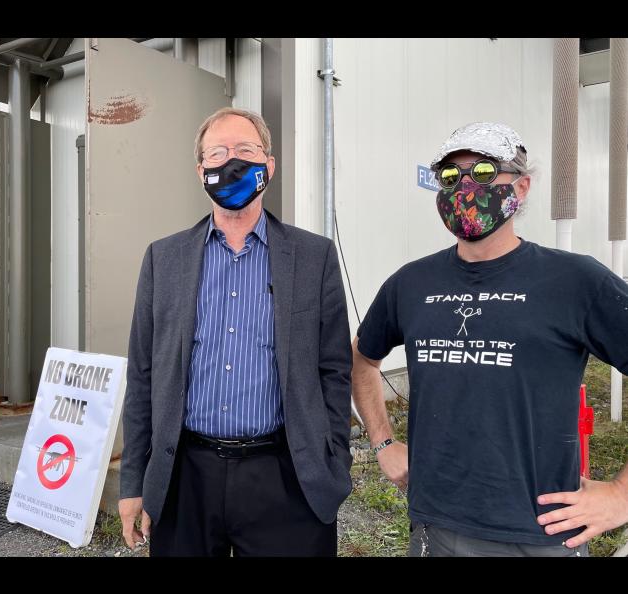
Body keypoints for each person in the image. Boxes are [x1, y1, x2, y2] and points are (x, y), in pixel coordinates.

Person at [352, 121, 628, 556]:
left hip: (540, 532)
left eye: (482, 172)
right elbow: (363, 359)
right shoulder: (411, 282)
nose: (464, 187)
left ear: (521, 187)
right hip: (434, 527)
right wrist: (383, 442)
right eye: (449, 176)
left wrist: (621, 496)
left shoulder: (575, 280)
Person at [118, 107, 353, 556]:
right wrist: (134, 482)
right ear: (200, 169)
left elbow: (334, 370)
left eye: (246, 150)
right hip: (186, 478)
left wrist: (333, 459)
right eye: (218, 153)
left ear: (270, 165)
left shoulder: (313, 257)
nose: (232, 163)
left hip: (286, 478)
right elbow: (143, 378)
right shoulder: (163, 260)